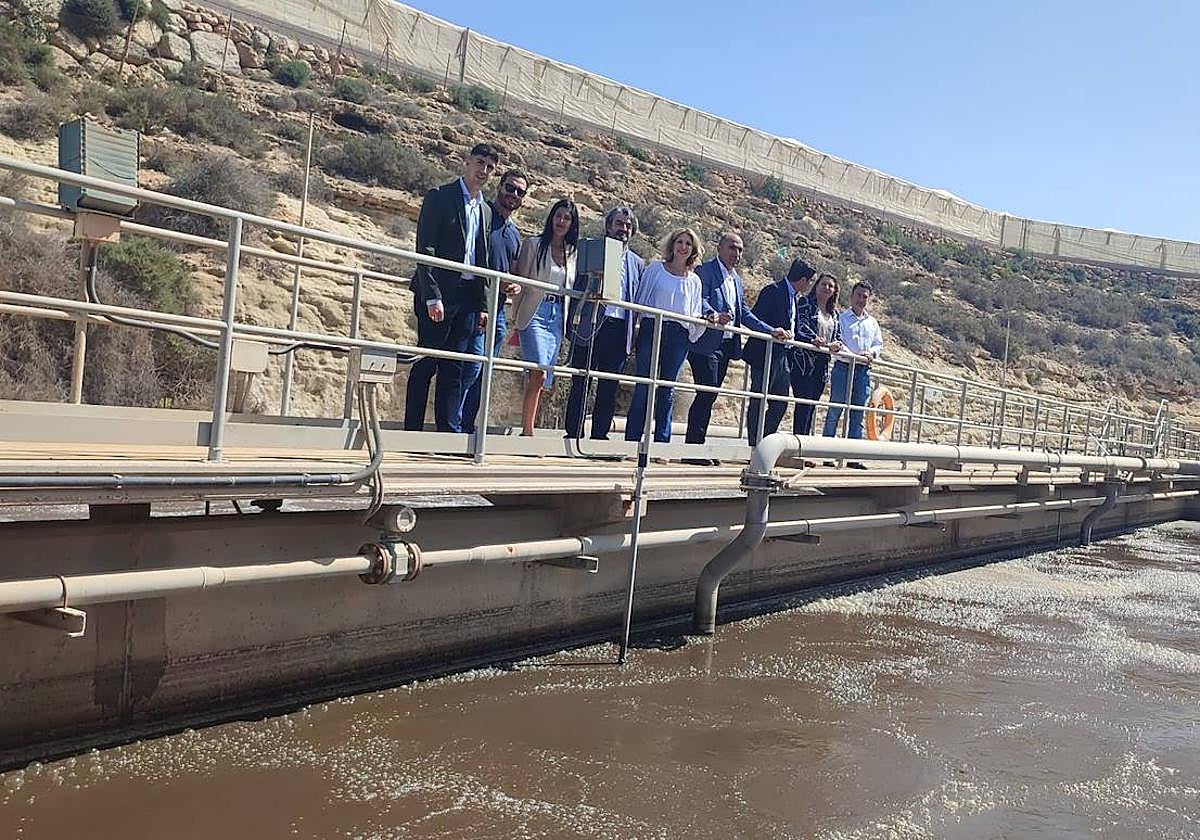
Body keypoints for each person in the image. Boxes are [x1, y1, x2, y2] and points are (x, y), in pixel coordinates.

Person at [404, 143, 498, 433]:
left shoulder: (486, 210)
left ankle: (447, 433)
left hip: (467, 297)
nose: (484, 171)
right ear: (467, 162)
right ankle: (412, 431)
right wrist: (432, 295)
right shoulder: (440, 196)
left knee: (454, 367)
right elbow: (426, 248)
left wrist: (483, 305)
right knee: (427, 362)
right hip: (439, 294)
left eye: (490, 167)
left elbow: (482, 258)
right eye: (480, 162)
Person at [682, 232, 787, 463]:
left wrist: (770, 330)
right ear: (719, 248)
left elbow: (745, 314)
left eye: (740, 249)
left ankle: (697, 448)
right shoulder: (705, 271)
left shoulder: (736, 279)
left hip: (727, 345)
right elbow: (699, 298)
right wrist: (713, 314)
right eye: (732, 248)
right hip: (705, 344)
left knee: (710, 395)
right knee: (707, 392)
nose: (736, 253)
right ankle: (693, 449)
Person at [563, 207, 644, 440]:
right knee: (581, 379)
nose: (623, 229)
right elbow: (576, 283)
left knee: (609, 385)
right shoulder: (592, 249)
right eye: (619, 223)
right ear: (609, 226)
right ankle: (573, 432)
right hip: (590, 323)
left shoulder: (637, 263)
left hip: (619, 328)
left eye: (628, 225)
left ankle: (600, 435)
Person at [624, 228, 705, 446]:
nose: (683, 247)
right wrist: (634, 333)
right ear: (672, 244)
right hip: (652, 329)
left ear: (693, 249)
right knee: (644, 384)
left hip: (678, 335)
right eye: (680, 242)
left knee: (667, 388)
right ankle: (632, 439)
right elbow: (640, 301)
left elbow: (694, 312)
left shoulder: (694, 281)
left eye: (688, 243)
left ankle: (661, 442)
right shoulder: (656, 269)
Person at [461, 170, 528, 435]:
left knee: (485, 372)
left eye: (520, 192)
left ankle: (468, 428)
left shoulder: (514, 233)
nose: (514, 195)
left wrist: (515, 285)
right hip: (478, 303)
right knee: (473, 366)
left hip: (499, 308)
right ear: (500, 187)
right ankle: (453, 427)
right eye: (510, 188)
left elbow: (514, 271)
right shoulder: (483, 215)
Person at [510, 199, 579, 436]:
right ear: (551, 218)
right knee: (538, 370)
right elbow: (521, 279)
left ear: (572, 224)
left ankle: (529, 425)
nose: (561, 221)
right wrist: (516, 319)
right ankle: (528, 431)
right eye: (558, 216)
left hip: (557, 316)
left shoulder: (573, 253)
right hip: (535, 312)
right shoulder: (533, 244)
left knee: (543, 376)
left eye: (567, 218)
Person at [742, 258, 815, 445]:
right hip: (764, 353)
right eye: (809, 281)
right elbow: (756, 317)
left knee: (780, 402)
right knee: (759, 398)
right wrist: (772, 331)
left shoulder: (794, 298)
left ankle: (764, 440)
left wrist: (812, 340)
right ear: (803, 280)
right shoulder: (773, 291)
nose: (809, 286)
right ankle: (754, 443)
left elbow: (794, 328)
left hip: (782, 355)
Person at [823, 280, 884, 456]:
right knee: (835, 409)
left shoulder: (872, 322)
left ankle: (853, 455)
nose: (861, 300)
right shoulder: (841, 318)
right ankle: (826, 452)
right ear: (851, 296)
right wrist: (853, 355)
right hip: (843, 367)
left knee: (858, 413)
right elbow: (838, 340)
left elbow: (878, 344)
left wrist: (871, 353)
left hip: (863, 371)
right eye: (858, 295)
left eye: (865, 297)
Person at [792, 272, 843, 436]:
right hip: (804, 362)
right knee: (804, 404)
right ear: (816, 286)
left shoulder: (834, 314)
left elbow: (838, 336)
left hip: (822, 364)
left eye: (831, 286)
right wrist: (814, 339)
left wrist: (836, 344)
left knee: (812, 404)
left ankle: (804, 441)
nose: (827, 288)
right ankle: (798, 442)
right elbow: (800, 327)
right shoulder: (805, 303)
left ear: (834, 291)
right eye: (824, 284)